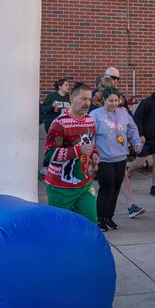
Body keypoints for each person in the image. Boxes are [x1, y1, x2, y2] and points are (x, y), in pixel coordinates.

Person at [43, 81, 100, 223]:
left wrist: (93, 154)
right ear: (71, 99)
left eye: (89, 99)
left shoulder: (90, 121)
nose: (87, 103)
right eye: (83, 99)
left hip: (84, 182)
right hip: (60, 186)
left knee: (90, 221)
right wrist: (77, 150)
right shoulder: (59, 123)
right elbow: (49, 154)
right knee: (59, 225)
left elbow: (89, 144)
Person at [91, 87, 143, 231]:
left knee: (115, 188)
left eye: (116, 101)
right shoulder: (96, 115)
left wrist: (137, 142)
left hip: (120, 157)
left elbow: (132, 129)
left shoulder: (123, 114)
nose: (114, 104)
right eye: (110, 101)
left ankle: (109, 217)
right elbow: (91, 136)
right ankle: (100, 218)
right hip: (104, 158)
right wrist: (92, 155)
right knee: (106, 187)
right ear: (103, 100)